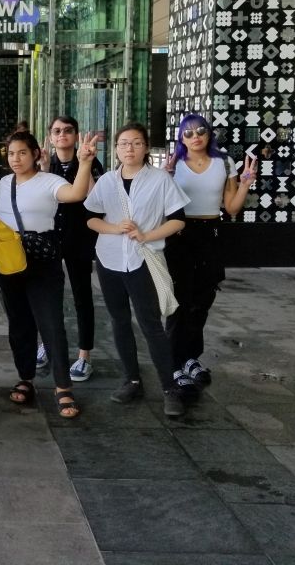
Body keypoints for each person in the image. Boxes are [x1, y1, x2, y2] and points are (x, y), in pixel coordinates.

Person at [84, 123, 190, 418]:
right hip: (109, 260)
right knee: (119, 321)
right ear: (115, 149)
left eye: (136, 143)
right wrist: (115, 228)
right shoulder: (106, 181)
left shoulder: (160, 180)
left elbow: (178, 220)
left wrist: (147, 235)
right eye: (123, 144)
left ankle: (170, 388)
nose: (129, 149)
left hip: (144, 259)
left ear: (145, 148)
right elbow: (91, 219)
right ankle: (131, 380)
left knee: (150, 324)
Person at [0, 130, 99, 419]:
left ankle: (63, 386)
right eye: (11, 153)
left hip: (41, 261)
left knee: (51, 323)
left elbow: (77, 194)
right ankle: (26, 377)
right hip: (9, 261)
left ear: (36, 154)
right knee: (19, 324)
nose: (16, 159)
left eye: (22, 153)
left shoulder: (50, 181)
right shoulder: (4, 183)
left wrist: (85, 162)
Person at [165, 113, 256, 392]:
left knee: (202, 300)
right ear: (181, 138)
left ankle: (191, 357)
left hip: (210, 232)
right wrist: (166, 176)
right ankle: (173, 362)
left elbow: (231, 208)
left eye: (200, 130)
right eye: (188, 133)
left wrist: (245, 184)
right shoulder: (174, 164)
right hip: (180, 233)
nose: (195, 136)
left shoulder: (223, 162)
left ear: (208, 133)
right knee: (179, 300)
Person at [44, 116, 105, 382]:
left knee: (82, 297)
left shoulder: (90, 161)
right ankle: (48, 345)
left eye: (68, 131)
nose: (62, 135)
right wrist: (44, 170)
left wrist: (87, 162)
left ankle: (84, 355)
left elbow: (96, 199)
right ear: (50, 137)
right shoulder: (47, 164)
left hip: (80, 238)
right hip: (51, 239)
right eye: (57, 131)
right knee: (47, 296)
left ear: (76, 135)